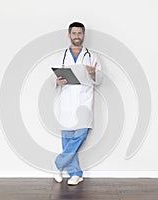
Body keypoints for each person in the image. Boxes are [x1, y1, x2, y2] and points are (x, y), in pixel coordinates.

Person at [53, 22, 102, 185]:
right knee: (67, 139)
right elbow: (55, 78)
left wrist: (93, 72)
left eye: (79, 33)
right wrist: (57, 82)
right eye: (74, 33)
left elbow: (100, 79)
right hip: (66, 102)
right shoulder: (61, 56)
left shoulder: (92, 56)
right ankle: (75, 173)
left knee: (80, 135)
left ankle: (58, 164)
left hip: (84, 102)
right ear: (69, 35)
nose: (76, 36)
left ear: (83, 35)